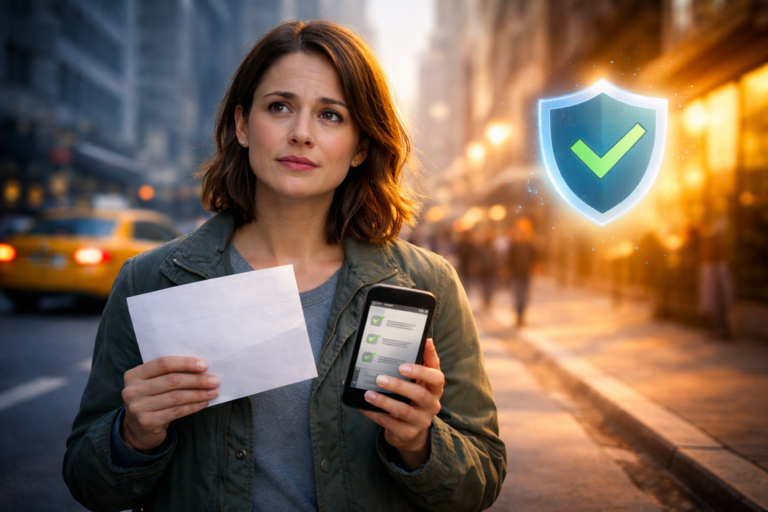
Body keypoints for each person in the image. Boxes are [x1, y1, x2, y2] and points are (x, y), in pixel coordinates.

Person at [62, 21, 506, 512]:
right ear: (242, 125)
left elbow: (480, 479)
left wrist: (419, 443)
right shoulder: (150, 280)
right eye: (280, 107)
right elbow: (88, 481)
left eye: (331, 116)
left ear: (361, 146)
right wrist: (133, 434)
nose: (301, 134)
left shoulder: (427, 283)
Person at [507, 218, 536, 327]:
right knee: (517, 296)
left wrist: (536, 269)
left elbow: (535, 259)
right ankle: (518, 316)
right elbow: (509, 260)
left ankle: (522, 316)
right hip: (516, 274)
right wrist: (507, 270)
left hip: (526, 275)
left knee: (525, 297)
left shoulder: (531, 245)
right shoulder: (514, 245)